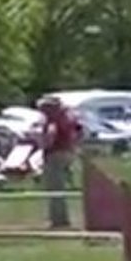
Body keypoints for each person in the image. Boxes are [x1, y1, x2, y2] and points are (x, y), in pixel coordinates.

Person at [37, 96, 80, 229]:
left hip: (55, 154)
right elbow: (78, 133)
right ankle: (61, 218)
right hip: (67, 152)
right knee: (60, 187)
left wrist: (43, 144)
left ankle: (58, 220)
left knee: (54, 188)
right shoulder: (68, 118)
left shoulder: (53, 120)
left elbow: (51, 134)